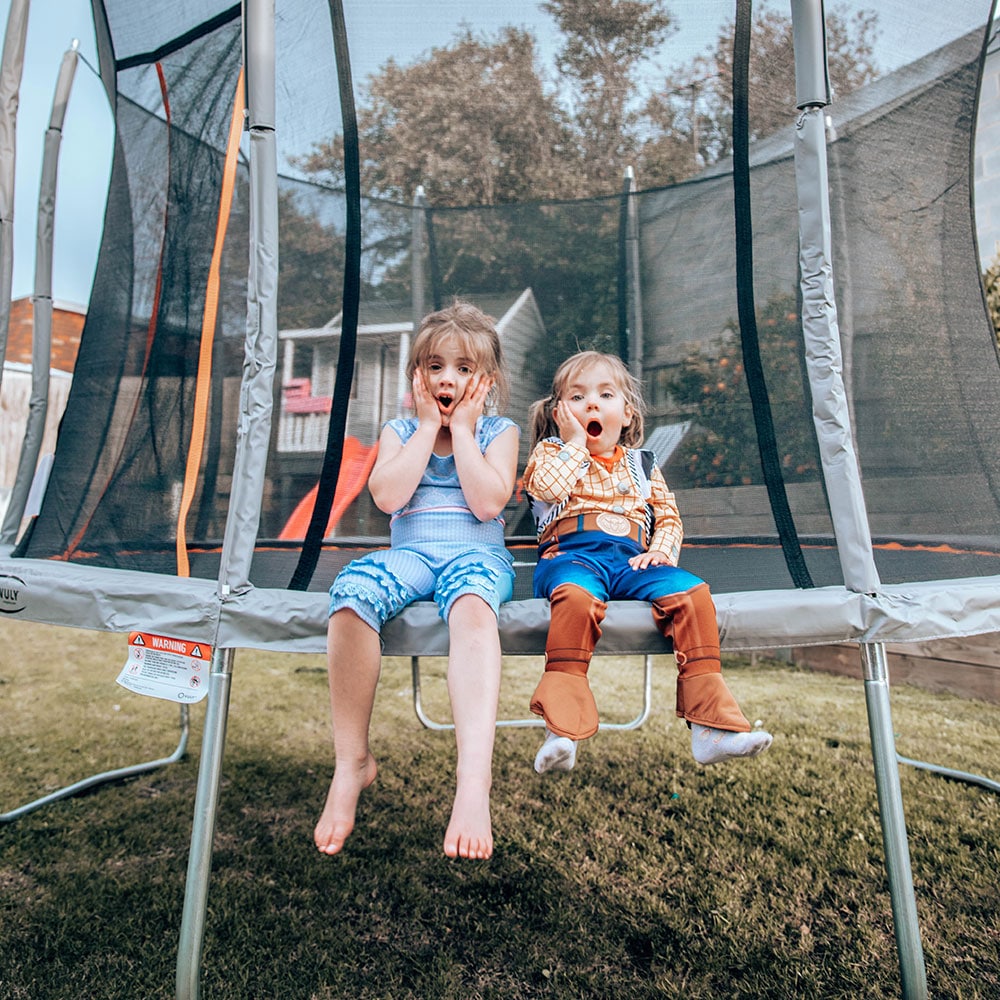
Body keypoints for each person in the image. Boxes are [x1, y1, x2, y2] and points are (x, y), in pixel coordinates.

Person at [314, 302, 519, 859]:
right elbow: (387, 497)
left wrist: (465, 431)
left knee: (475, 609)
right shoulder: (401, 430)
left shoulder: (501, 432)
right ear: (417, 376)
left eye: (463, 368)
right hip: (411, 555)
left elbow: (486, 503)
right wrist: (430, 426)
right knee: (350, 600)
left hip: (476, 556)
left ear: (487, 382)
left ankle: (473, 786)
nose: (447, 377)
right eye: (434, 365)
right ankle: (351, 761)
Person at [523, 350, 772, 774]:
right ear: (559, 412)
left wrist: (661, 549)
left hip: (632, 562)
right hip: (572, 557)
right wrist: (575, 443)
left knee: (693, 594)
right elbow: (546, 488)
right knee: (576, 599)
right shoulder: (550, 454)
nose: (592, 405)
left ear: (627, 413)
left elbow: (668, 515)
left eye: (605, 395)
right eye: (578, 397)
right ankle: (561, 728)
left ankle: (710, 729)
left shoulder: (642, 465)